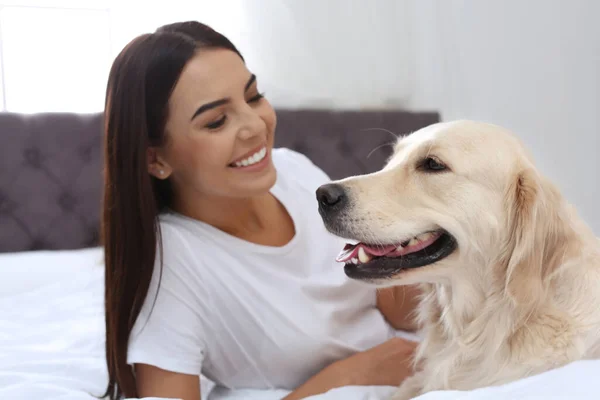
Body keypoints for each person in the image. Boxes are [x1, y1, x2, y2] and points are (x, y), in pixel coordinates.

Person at [102, 20, 420, 400]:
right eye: (216, 121)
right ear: (156, 159)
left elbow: (395, 306)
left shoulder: (292, 170)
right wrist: (346, 376)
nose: (255, 125)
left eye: (253, 97)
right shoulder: (171, 263)